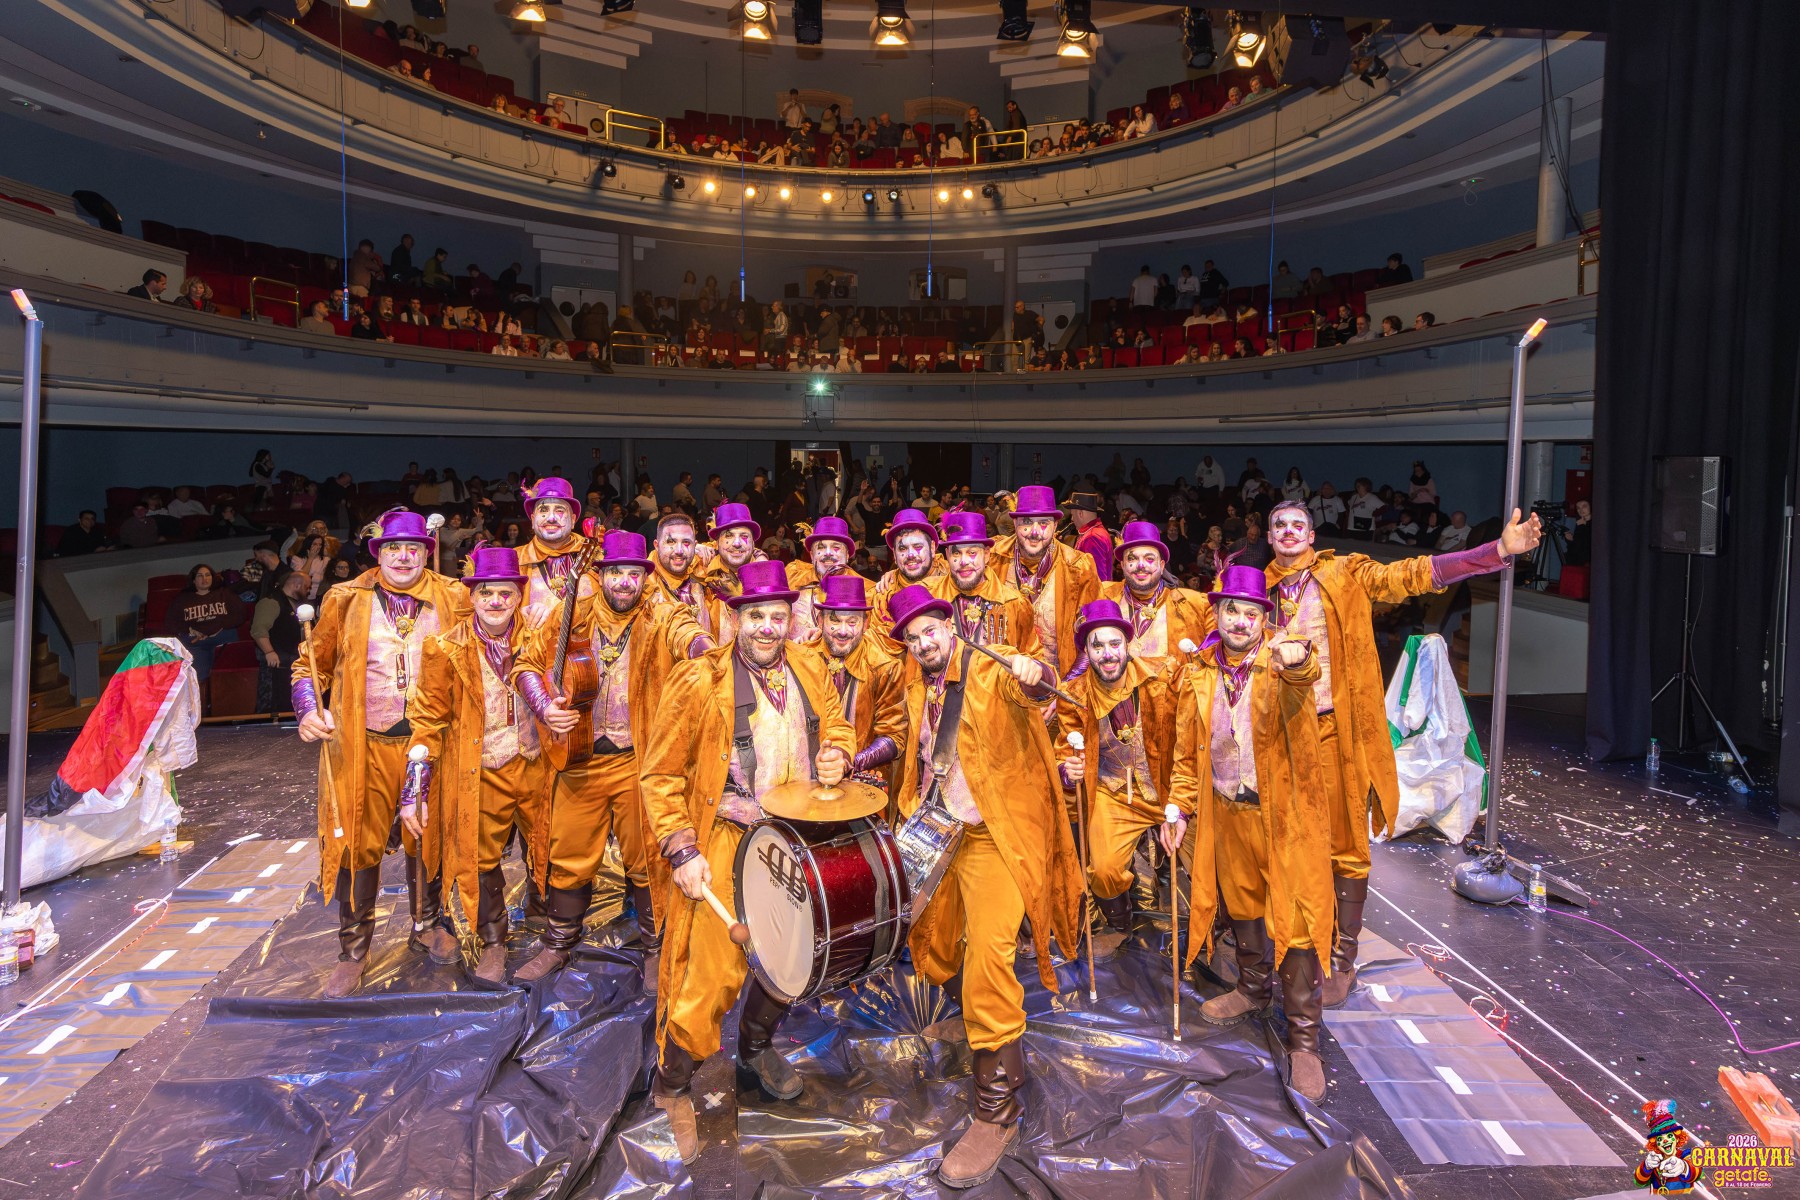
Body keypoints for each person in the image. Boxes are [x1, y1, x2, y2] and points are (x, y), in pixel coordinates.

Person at [1260, 500, 1541, 1008]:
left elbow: (1413, 574)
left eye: (1298, 523)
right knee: (1282, 841)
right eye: (1279, 524)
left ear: (1312, 534)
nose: (1288, 531)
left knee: (1346, 844)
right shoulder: (1255, 589)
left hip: (1336, 733)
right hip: (1278, 736)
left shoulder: (1344, 572)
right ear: (1269, 536)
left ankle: (1342, 958)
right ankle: (1291, 942)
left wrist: (1496, 551)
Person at [637, 561, 855, 1164]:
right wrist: (682, 848)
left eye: (777, 616)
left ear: (791, 618)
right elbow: (659, 774)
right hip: (728, 839)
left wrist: (838, 752)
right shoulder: (698, 679)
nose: (766, 627)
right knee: (711, 975)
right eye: (755, 615)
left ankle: (755, 1049)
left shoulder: (811, 665)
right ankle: (672, 1084)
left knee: (792, 957)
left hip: (797, 838)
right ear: (735, 618)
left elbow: (837, 724)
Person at [885, 584, 1081, 1188]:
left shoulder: (992, 670)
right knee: (933, 941)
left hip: (996, 834)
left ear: (951, 625)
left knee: (991, 956)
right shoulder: (917, 684)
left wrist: (1036, 673)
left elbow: (1035, 689)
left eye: (931, 630)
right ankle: (975, 1016)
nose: (924, 643)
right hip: (939, 829)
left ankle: (998, 1108)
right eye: (913, 638)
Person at [1167, 564, 1333, 1103]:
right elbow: (1186, 753)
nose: (1240, 621)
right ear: (1216, 614)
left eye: (1251, 613)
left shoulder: (1279, 661)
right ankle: (1253, 988)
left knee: (1297, 918)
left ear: (1266, 618)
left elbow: (1305, 671)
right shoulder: (1198, 672)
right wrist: (1178, 809)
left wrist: (1298, 657)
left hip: (1283, 819)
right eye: (1231, 611)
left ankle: (1304, 1039)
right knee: (1243, 904)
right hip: (1227, 811)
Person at [512, 530, 708, 982]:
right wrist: (544, 707)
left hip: (639, 763)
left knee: (648, 857)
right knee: (568, 855)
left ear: (645, 577)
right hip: (577, 761)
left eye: (633, 574)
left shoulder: (661, 613)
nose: (624, 582)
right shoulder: (573, 613)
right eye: (616, 572)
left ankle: (656, 946)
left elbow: (689, 635)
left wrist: (708, 652)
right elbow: (525, 664)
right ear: (600, 576)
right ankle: (558, 943)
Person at [292, 509, 471, 998]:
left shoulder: (454, 595)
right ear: (378, 552)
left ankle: (427, 924)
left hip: (431, 743)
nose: (404, 557)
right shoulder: (346, 598)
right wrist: (307, 709)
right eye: (394, 548)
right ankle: (353, 948)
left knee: (428, 836)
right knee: (357, 841)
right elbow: (309, 666)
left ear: (427, 551)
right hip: (364, 743)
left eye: (414, 548)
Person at [398, 546, 547, 987]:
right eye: (486, 593)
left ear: (519, 596)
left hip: (537, 763)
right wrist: (415, 788)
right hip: (481, 769)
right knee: (479, 857)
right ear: (473, 596)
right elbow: (427, 719)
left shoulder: (541, 635)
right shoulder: (444, 647)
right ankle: (493, 940)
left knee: (552, 845)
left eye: (505, 593)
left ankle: (551, 927)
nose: (496, 601)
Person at [1055, 598, 1183, 952]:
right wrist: (1067, 770)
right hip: (1114, 794)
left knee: (1212, 861)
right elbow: (1064, 749)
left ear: (1128, 644)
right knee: (1105, 870)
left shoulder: (1163, 676)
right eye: (1097, 646)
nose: (1108, 654)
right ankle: (1122, 923)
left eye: (1115, 644)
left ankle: (1213, 931)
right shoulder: (1074, 696)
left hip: (1170, 790)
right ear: (1086, 652)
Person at [791, 573, 906, 796]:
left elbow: (895, 737)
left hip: (863, 785)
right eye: (834, 620)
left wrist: (847, 762)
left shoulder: (885, 667)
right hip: (804, 783)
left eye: (852, 622)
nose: (843, 631)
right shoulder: (801, 659)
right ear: (820, 620)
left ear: (865, 623)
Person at [990, 485, 1100, 684]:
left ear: (1055, 525)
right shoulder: (992, 559)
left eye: (1043, 523)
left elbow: (1094, 634)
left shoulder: (1078, 567)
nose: (1034, 532)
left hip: (1058, 686)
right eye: (1026, 522)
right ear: (1014, 522)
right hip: (1000, 687)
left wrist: (1066, 688)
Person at [925, 513, 1046, 665]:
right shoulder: (930, 599)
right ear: (947, 555)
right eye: (956, 553)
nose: (964, 561)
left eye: (972, 552)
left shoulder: (1014, 603)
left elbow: (1034, 657)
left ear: (987, 554)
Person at [1099, 521, 1211, 674]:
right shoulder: (1103, 597)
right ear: (1123, 565)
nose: (1141, 565)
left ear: (1162, 565)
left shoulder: (1194, 605)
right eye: (1132, 559)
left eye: (1149, 559)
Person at [514, 477, 597, 626]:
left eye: (559, 510)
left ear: (573, 520)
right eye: (543, 510)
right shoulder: (514, 560)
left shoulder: (595, 555)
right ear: (532, 520)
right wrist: (515, 617)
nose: (551, 518)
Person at [166, 563, 247, 682]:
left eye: (208, 575)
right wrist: (190, 630)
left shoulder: (225, 594)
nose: (205, 579)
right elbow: (171, 623)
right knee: (198, 677)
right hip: (196, 642)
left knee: (228, 676)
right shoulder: (182, 599)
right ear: (193, 580)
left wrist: (220, 627)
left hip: (222, 638)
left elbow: (240, 615)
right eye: (200, 576)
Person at [782, 514, 856, 643]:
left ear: (847, 554)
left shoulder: (867, 590)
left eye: (836, 547)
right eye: (821, 547)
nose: (828, 553)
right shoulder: (793, 575)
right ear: (811, 555)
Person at [250, 565, 307, 714]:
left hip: (292, 661)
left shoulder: (296, 604)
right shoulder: (271, 601)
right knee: (272, 701)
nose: (308, 591)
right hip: (276, 663)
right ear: (296, 585)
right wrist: (269, 651)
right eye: (306, 587)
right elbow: (258, 629)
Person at [1067, 492, 1114, 583]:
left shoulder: (1092, 537)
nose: (1072, 519)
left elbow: (1097, 579)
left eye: (1072, 515)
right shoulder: (1095, 532)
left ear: (1080, 513)